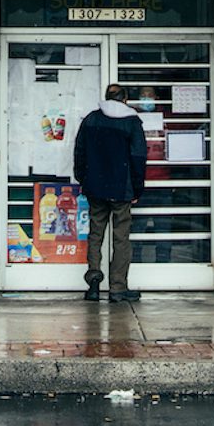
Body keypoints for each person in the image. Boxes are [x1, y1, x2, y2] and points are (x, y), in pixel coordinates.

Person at [72, 83, 147, 302]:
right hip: (121, 188)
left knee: (96, 234)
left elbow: (80, 152)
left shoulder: (91, 119)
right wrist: (137, 187)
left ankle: (94, 282)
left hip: (95, 187)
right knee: (121, 237)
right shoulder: (132, 122)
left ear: (106, 97)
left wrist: (83, 178)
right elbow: (138, 158)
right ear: (125, 99)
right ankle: (118, 288)